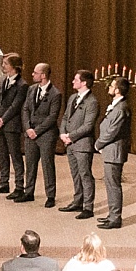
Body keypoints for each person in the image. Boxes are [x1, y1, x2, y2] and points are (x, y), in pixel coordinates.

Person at [20, 61, 61, 207]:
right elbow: (25, 109)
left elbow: (52, 117)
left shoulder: (55, 94)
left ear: (43, 75)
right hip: (30, 133)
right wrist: (27, 128)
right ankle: (28, 192)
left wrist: (36, 131)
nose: (32, 74)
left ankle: (50, 195)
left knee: (47, 165)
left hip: (46, 135)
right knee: (30, 164)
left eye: (35, 73)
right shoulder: (31, 89)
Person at [59, 69, 99, 219]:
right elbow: (65, 118)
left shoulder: (92, 102)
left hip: (82, 144)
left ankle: (88, 207)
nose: (72, 82)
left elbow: (88, 126)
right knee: (75, 174)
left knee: (85, 174)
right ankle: (78, 201)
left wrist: (71, 136)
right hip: (70, 143)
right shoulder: (72, 98)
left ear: (84, 83)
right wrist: (62, 133)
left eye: (76, 80)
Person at [0, 52, 29, 198]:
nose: (3, 66)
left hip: (11, 124)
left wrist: (2, 121)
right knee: (2, 154)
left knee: (15, 155)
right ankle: (3, 182)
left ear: (14, 66)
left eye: (6, 63)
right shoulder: (1, 80)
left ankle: (19, 186)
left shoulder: (22, 85)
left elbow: (15, 106)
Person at [95, 74, 132, 229]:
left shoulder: (121, 108)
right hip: (110, 150)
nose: (109, 88)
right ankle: (112, 214)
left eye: (111, 86)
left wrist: (98, 144)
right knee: (110, 184)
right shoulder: (117, 105)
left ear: (117, 90)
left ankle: (115, 218)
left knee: (113, 184)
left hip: (114, 151)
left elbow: (112, 131)